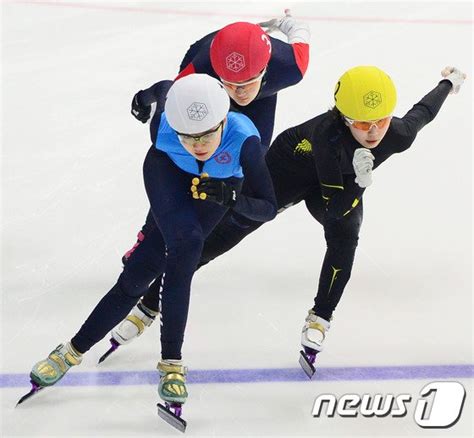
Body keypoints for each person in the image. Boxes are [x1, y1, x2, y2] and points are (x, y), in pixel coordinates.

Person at [112, 65, 466, 378]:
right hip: (287, 171)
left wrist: (447, 84)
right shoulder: (327, 137)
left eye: (381, 121)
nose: (373, 132)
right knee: (215, 240)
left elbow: (422, 113)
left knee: (346, 234)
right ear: (344, 118)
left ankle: (321, 316)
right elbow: (331, 198)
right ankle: (150, 304)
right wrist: (357, 182)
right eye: (361, 123)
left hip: (341, 185)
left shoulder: (397, 134)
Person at [25, 74, 277, 426]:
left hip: (220, 188)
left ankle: (171, 364)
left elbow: (267, 207)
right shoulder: (164, 126)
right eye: (188, 136)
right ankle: (71, 352)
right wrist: (142, 98)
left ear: (223, 120)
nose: (198, 144)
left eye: (206, 134)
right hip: (166, 173)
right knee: (151, 266)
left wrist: (232, 198)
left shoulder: (244, 138)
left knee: (172, 256)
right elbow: (164, 89)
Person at [109, 14, 311, 348]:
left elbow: (299, 31)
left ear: (265, 71)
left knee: (251, 150)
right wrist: (145, 98)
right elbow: (169, 97)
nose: (238, 94)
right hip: (207, 69)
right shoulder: (198, 72)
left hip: (262, 79)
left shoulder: (290, 66)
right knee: (182, 156)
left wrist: (282, 24)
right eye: (231, 86)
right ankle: (151, 229)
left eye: (245, 84)